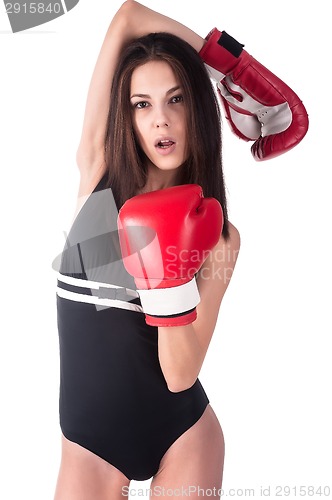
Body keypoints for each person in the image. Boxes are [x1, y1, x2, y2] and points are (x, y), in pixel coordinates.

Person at [53, 1, 307, 498]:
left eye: (176, 99)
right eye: (142, 104)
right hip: (89, 446)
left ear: (198, 108)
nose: (161, 120)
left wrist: (166, 273)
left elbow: (180, 373)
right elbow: (128, 16)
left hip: (183, 433)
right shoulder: (98, 175)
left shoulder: (221, 239)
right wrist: (238, 75)